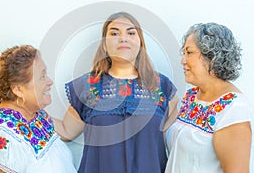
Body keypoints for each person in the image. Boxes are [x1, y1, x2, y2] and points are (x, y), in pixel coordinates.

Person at [53, 12, 179, 173]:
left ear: (140, 42)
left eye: (131, 32)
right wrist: (27, 109)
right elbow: (66, 130)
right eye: (114, 33)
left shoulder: (162, 86)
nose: (123, 38)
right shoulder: (87, 86)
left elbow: (174, 136)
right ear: (104, 45)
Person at [0, 45, 77, 173]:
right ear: (18, 89)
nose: (50, 82)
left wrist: (92, 90)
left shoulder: (36, 115)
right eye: (42, 76)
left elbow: (67, 131)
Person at [165, 23, 254, 173]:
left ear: (212, 56)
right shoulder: (191, 96)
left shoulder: (234, 110)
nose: (183, 61)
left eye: (189, 52)